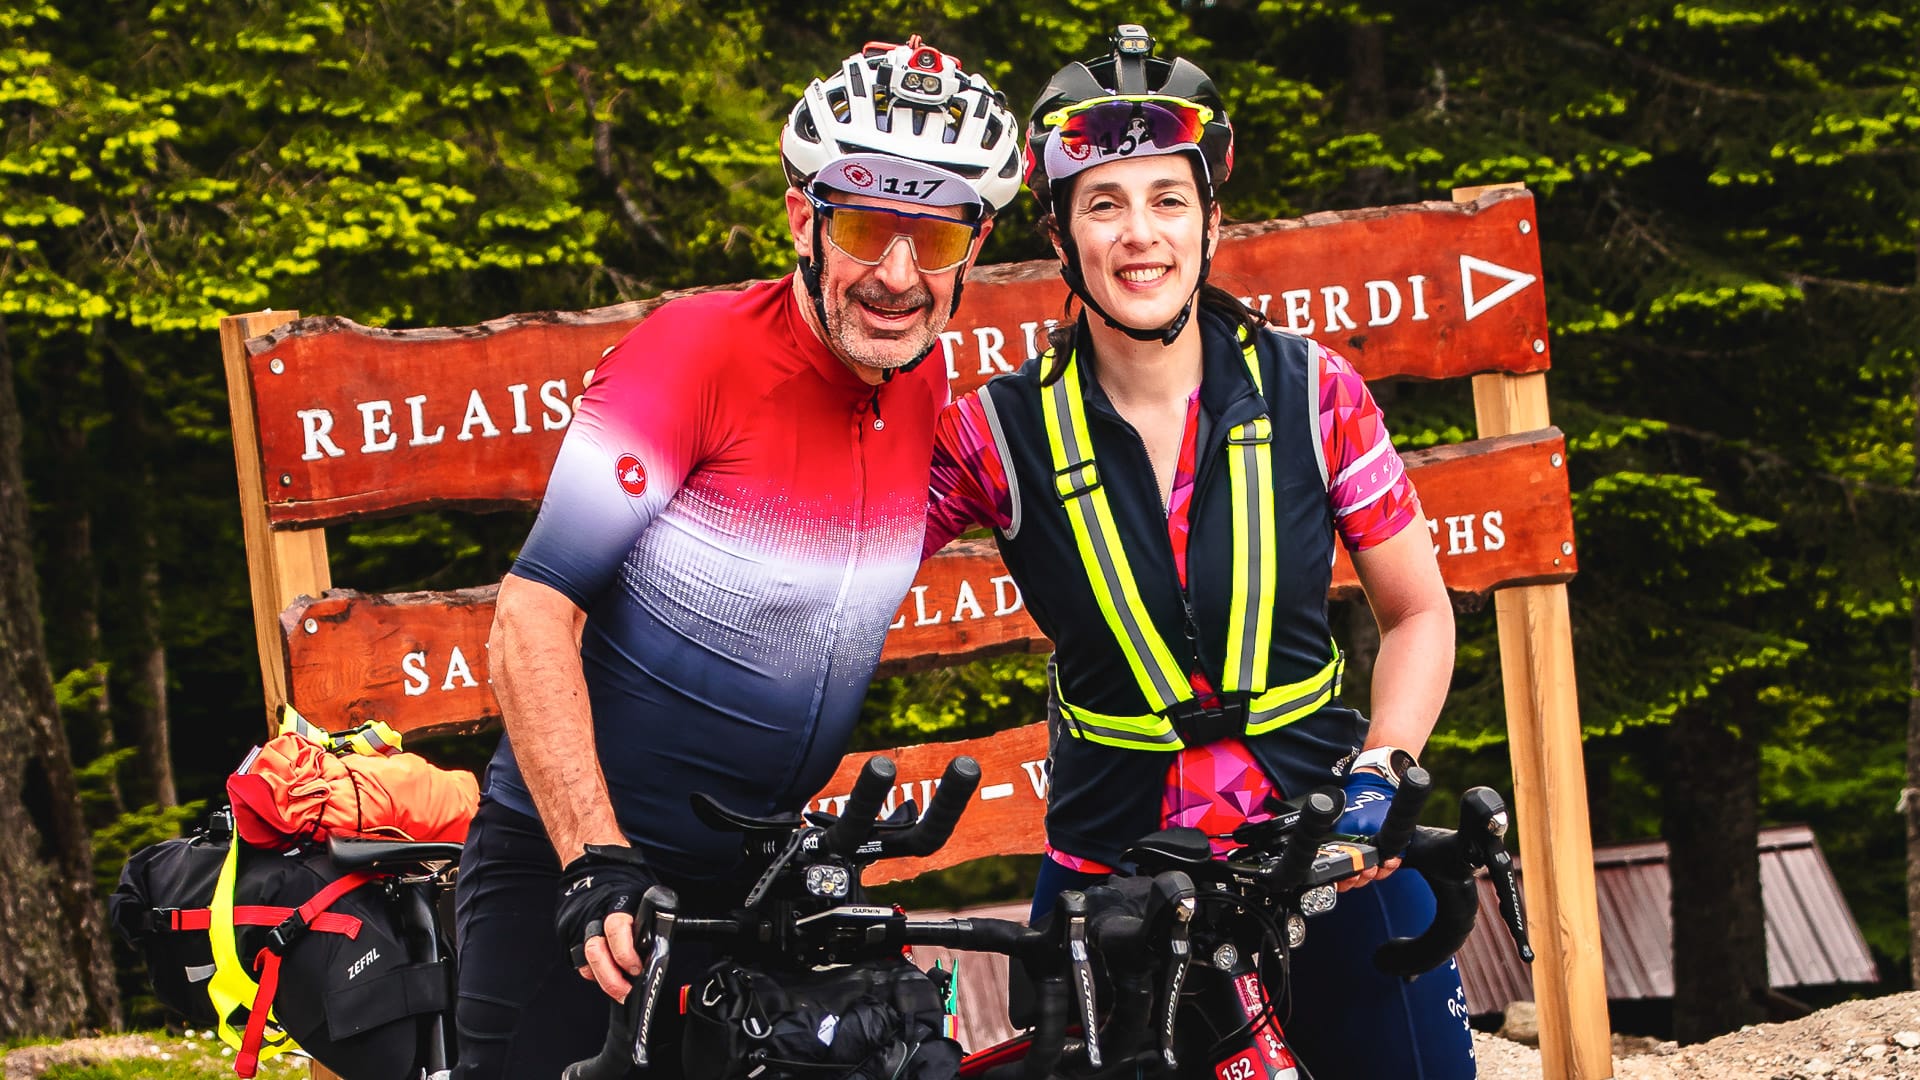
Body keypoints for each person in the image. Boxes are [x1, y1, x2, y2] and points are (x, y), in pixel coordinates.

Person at [454, 36, 1022, 1078]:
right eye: (864, 226)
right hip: (576, 879)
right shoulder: (692, 356)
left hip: (754, 890)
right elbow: (531, 613)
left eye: (934, 238)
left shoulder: (922, 385)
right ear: (804, 219)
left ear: (973, 247)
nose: (897, 276)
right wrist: (591, 857)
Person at [923, 25, 1476, 1079]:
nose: (1142, 236)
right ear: (1059, 232)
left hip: (1327, 851)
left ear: (1211, 220)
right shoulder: (989, 436)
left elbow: (1420, 614)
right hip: (1107, 873)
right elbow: (828, 576)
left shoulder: (1317, 394)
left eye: (1168, 200)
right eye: (1104, 203)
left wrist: (1384, 766)